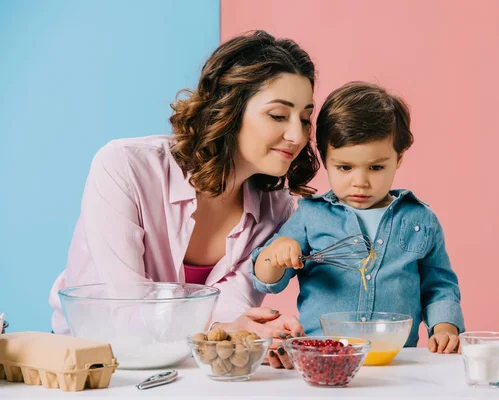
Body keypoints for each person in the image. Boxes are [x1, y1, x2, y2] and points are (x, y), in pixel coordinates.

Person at [49, 30, 320, 369]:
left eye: (305, 118)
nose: (297, 135)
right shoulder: (124, 166)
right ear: (229, 109)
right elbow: (127, 306)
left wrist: (257, 330)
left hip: (190, 363)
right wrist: (224, 328)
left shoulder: (275, 206)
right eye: (278, 115)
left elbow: (230, 308)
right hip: (96, 361)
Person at [252, 82, 465, 353]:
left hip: (396, 359)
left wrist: (445, 326)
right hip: (323, 355)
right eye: (345, 167)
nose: (360, 182)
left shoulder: (420, 219)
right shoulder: (311, 215)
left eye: (376, 167)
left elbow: (439, 284)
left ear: (398, 158)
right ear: (325, 158)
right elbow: (267, 280)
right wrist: (275, 254)